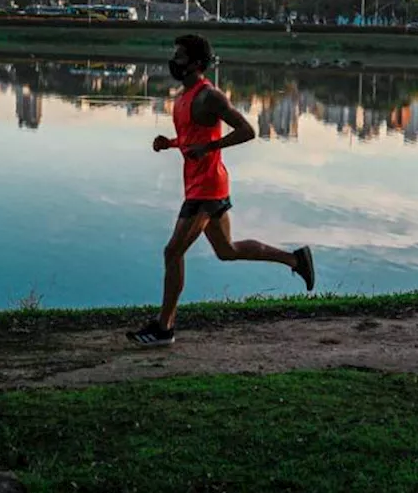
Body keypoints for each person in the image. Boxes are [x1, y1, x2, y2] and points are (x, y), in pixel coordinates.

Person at [127, 34, 315, 346]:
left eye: (181, 56)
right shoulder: (183, 97)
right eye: (175, 55)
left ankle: (164, 327)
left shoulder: (210, 96)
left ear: (197, 64)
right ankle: (295, 260)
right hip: (199, 184)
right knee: (227, 251)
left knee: (173, 252)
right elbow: (191, 139)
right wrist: (169, 143)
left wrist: (211, 146)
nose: (175, 61)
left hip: (208, 188)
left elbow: (247, 130)